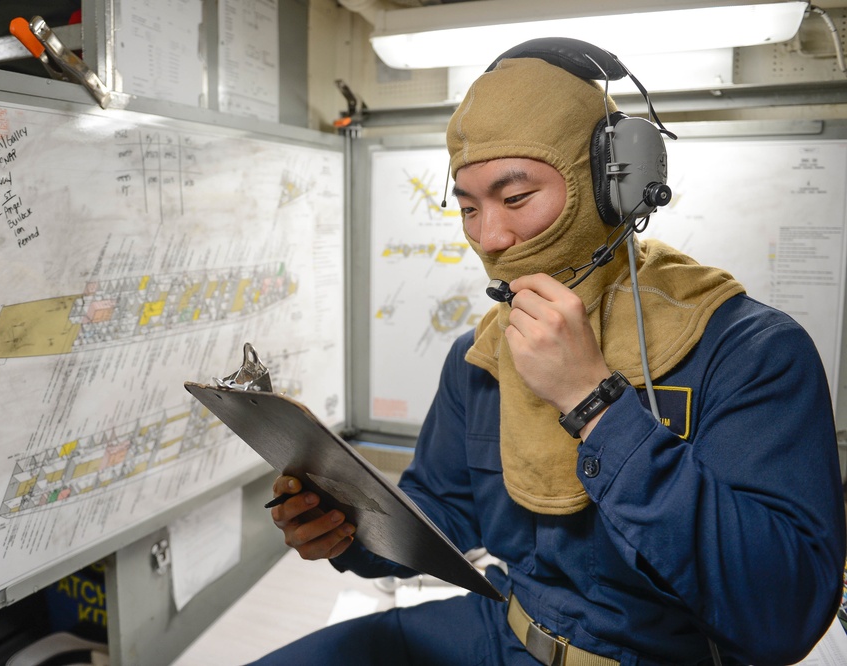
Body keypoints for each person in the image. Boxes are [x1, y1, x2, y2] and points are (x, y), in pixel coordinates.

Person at [252, 38, 847, 665]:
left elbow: (783, 616)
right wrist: (345, 528)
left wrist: (595, 403)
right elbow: (441, 516)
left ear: (612, 185)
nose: (491, 236)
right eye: (468, 207)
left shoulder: (750, 352)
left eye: (515, 199)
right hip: (503, 629)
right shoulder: (480, 356)